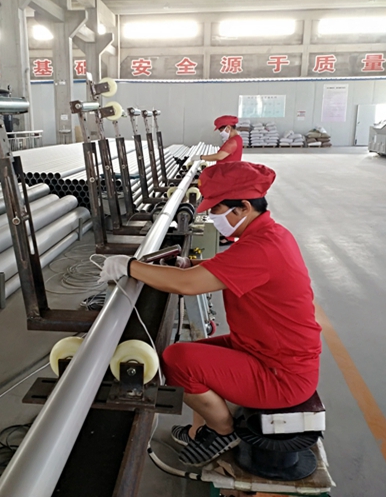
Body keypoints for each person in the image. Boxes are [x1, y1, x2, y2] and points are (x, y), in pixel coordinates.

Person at [97, 161, 322, 467]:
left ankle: (222, 431)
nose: (212, 216)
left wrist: (129, 266)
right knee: (189, 356)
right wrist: (191, 264)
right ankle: (199, 430)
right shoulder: (270, 235)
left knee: (178, 362)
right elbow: (224, 269)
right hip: (263, 349)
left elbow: (188, 286)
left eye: (217, 209)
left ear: (243, 208)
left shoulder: (262, 248)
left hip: (281, 375)